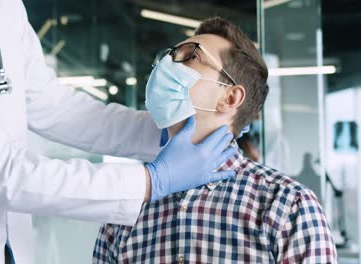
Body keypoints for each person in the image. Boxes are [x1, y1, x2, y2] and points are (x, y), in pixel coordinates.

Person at [0, 1, 239, 263]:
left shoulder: (2, 6)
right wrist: (151, 181)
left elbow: (52, 104)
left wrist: (167, 133)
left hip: (9, 247)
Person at [93, 17, 337, 263]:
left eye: (191, 56)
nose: (166, 64)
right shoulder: (129, 205)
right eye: (169, 55)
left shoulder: (287, 206)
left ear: (230, 98)